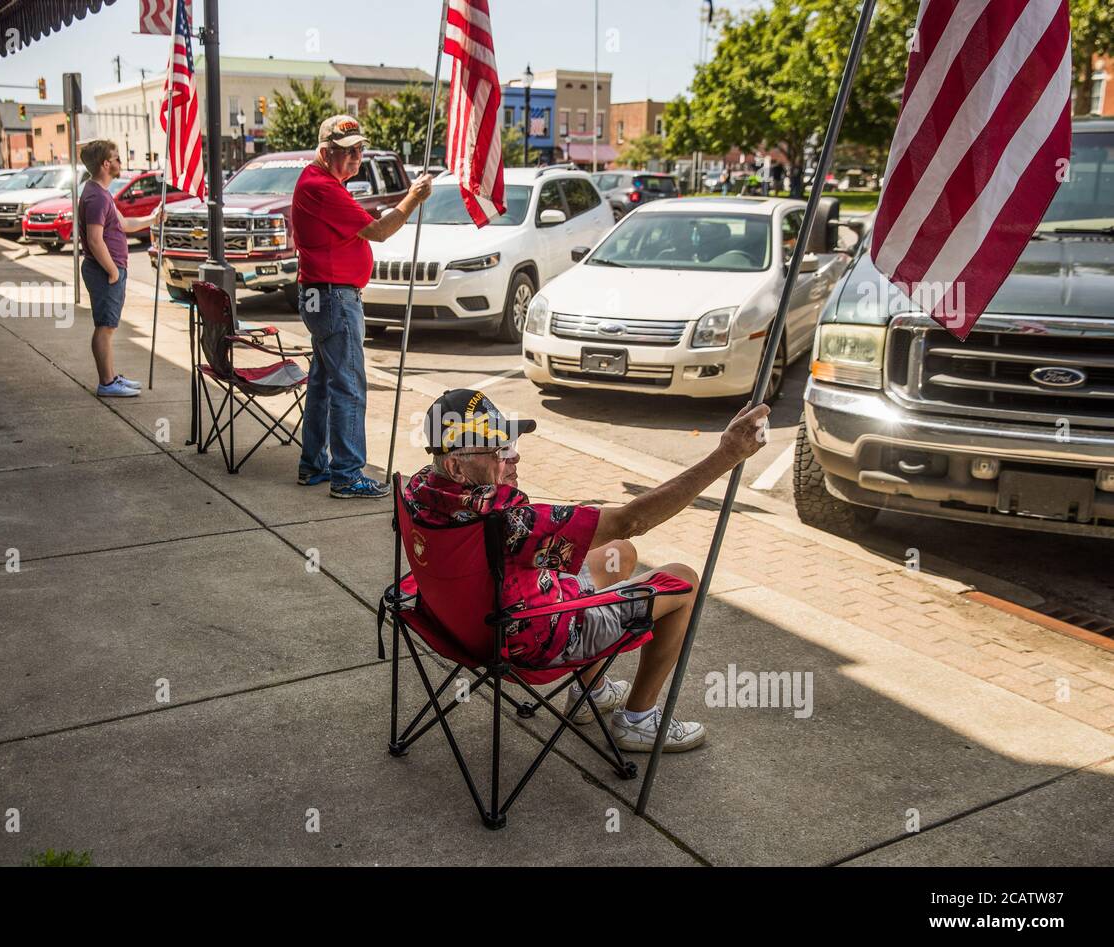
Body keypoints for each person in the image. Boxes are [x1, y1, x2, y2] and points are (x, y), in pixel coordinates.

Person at [403, 389, 770, 753]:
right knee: (682, 580)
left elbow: (604, 536)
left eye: (510, 442)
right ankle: (638, 721)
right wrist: (726, 456)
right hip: (534, 641)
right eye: (500, 450)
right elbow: (633, 519)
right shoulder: (509, 523)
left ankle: (590, 691)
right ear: (456, 466)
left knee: (617, 553)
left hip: (462, 626)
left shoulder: (419, 491)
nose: (515, 455)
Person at [291, 114, 434, 499]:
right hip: (334, 297)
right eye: (347, 151)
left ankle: (314, 464)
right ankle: (347, 474)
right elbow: (381, 230)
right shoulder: (322, 187)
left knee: (324, 382)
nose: (356, 157)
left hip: (323, 294)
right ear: (325, 152)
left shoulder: (321, 183)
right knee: (349, 385)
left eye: (359, 150)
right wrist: (413, 197)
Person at [77, 139, 163, 398]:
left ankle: (111, 377)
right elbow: (94, 239)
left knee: (108, 326)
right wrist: (113, 271)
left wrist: (152, 219)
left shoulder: (101, 193)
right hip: (104, 272)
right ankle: (106, 383)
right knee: (105, 327)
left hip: (108, 271)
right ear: (105, 164)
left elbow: (123, 224)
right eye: (116, 158)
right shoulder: (96, 197)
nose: (120, 162)